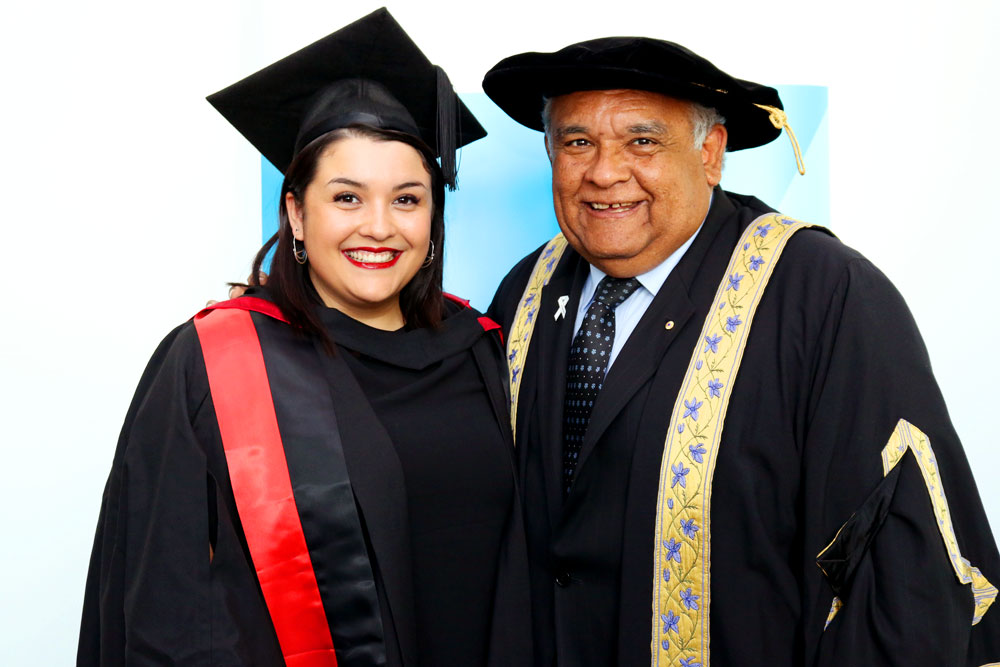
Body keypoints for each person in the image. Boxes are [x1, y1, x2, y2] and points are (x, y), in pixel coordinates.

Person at [483, 37, 1000, 665]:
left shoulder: (821, 294)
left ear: (710, 153)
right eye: (576, 142)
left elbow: (894, 555)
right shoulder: (525, 293)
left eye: (642, 142)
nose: (604, 172)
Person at [77, 9, 531, 666]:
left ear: (434, 215)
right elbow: (161, 601)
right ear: (296, 209)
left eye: (407, 199)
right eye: (347, 197)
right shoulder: (220, 363)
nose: (379, 226)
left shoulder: (480, 347)